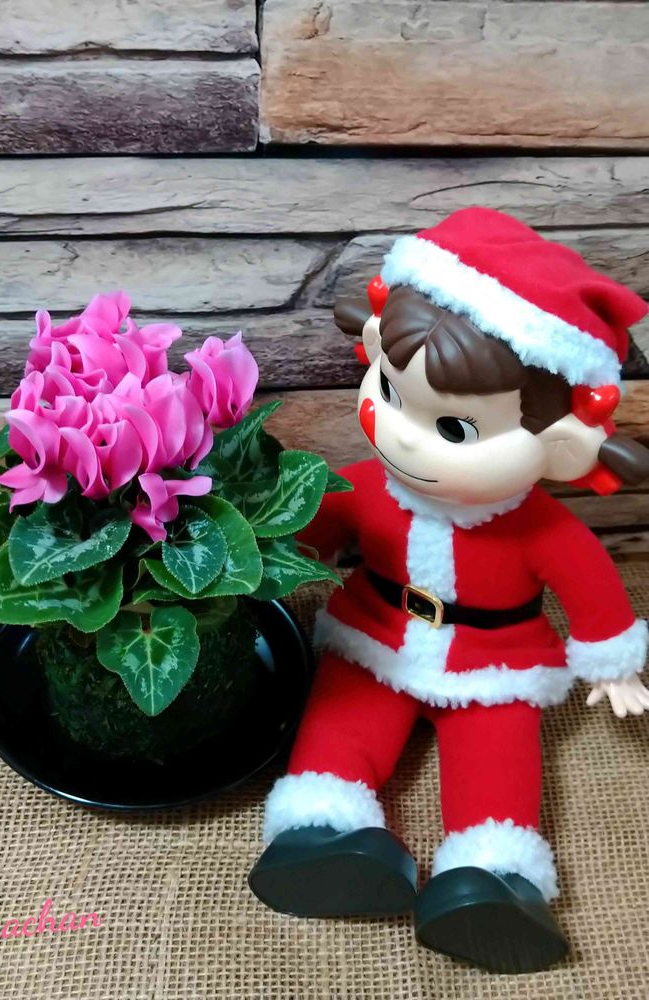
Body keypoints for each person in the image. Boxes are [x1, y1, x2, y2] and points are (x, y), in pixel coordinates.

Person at [248, 207, 649, 974]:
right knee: (340, 729)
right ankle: (321, 836)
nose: (403, 435)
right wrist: (253, 561)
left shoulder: (540, 528)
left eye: (456, 430)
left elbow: (593, 589)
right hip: (372, 641)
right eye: (391, 394)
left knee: (497, 761)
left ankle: (493, 881)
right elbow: (303, 533)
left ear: (560, 448)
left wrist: (613, 661)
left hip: (496, 666)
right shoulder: (364, 486)